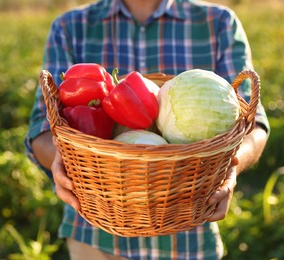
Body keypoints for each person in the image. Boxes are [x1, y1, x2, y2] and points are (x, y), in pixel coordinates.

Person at [25, 0, 270, 259]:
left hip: (189, 240)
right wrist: (62, 161)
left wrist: (232, 164)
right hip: (95, 239)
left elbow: (253, 124)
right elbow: (42, 128)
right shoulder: (69, 27)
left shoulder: (219, 23)